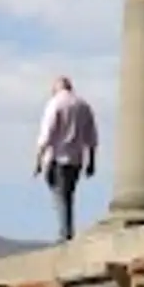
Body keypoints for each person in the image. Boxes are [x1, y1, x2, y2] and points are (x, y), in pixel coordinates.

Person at [32, 74, 99, 239]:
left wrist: (38, 160)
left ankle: (65, 232)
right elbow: (92, 136)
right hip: (76, 159)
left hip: (57, 157)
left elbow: (46, 133)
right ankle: (66, 229)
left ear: (56, 88)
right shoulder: (84, 106)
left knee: (59, 194)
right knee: (68, 194)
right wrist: (91, 162)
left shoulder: (55, 104)